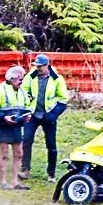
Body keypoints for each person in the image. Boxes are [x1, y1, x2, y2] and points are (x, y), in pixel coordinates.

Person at [20, 53, 70, 182]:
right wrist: (27, 106)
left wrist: (53, 114)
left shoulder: (57, 79)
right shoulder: (30, 77)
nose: (38, 69)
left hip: (49, 115)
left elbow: (64, 99)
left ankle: (51, 173)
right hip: (33, 114)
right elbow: (23, 92)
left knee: (51, 145)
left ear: (47, 65)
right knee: (26, 140)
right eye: (36, 66)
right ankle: (25, 170)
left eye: (40, 66)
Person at [0, 65, 31, 190]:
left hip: (17, 126)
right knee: (4, 154)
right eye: (20, 79)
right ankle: (3, 182)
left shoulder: (22, 91)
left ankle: (15, 181)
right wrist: (3, 117)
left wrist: (28, 114)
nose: (21, 82)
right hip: (3, 126)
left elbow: (27, 105)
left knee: (19, 154)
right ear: (12, 79)